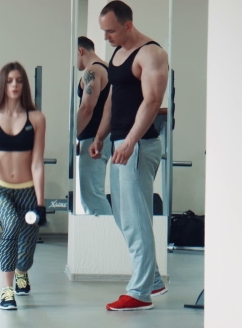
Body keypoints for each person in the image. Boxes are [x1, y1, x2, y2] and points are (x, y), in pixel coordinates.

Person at [89, 1, 169, 311]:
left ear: (127, 25)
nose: (106, 37)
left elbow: (151, 101)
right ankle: (153, 280)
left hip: (139, 145)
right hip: (121, 143)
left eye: (110, 30)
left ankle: (139, 292)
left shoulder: (151, 54)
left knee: (136, 220)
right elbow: (112, 99)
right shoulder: (117, 52)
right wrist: (100, 136)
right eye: (103, 31)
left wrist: (130, 141)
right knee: (125, 217)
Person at [0, 62, 47, 310]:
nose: (14, 85)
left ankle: (21, 271)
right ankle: (7, 290)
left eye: (18, 80)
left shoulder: (36, 118)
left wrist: (40, 203)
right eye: (9, 81)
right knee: (12, 225)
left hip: (27, 190)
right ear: (2, 85)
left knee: (28, 239)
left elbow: (37, 163)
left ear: (24, 85)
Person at [76, 36, 112, 216]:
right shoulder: (107, 68)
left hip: (94, 139)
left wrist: (73, 136)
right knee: (94, 193)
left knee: (92, 196)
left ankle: (107, 240)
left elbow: (86, 108)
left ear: (80, 51)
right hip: (102, 137)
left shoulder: (92, 71)